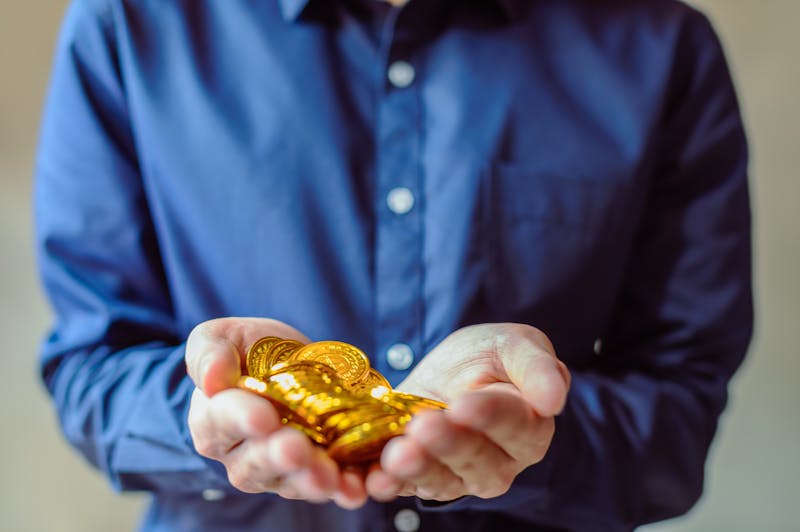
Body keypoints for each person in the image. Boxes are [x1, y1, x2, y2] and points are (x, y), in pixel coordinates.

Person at [34, 0, 752, 530]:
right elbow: (92, 361)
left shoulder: (661, 47)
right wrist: (206, 416)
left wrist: (541, 442)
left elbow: (681, 399)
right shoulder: (127, 25)